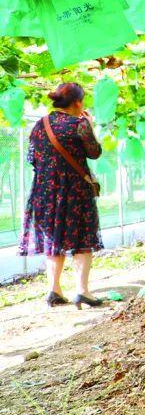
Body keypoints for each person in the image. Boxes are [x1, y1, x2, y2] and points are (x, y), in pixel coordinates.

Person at [20, 83, 105, 309]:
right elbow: (94, 152)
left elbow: (32, 158)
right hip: (75, 190)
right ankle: (83, 292)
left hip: (45, 191)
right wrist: (91, 126)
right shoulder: (80, 124)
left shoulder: (40, 124)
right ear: (78, 103)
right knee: (82, 238)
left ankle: (54, 290)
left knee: (53, 239)